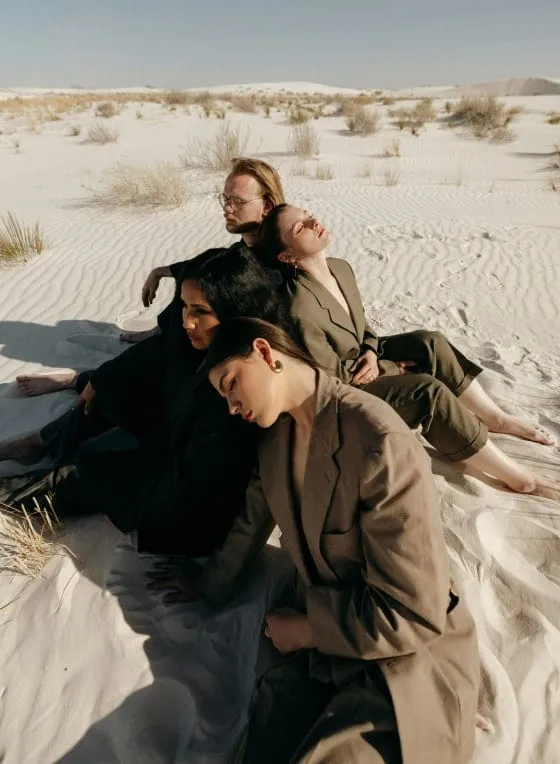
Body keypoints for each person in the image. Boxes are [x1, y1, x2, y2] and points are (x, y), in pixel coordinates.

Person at [150, 317, 480, 764]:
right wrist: (208, 583)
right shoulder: (275, 444)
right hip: (320, 658)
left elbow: (413, 613)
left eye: (231, 384)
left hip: (405, 661)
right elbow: (250, 525)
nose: (231, 406)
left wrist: (306, 630)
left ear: (265, 353)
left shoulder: (377, 439)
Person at [255, 204, 560, 500]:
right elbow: (331, 378)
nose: (313, 222)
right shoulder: (298, 307)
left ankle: (495, 418)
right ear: (287, 255)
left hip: (364, 359)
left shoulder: (340, 268)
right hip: (348, 390)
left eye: (308, 215)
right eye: (300, 227)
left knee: (430, 342)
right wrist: (390, 368)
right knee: (427, 391)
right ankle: (519, 479)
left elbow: (362, 326)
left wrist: (373, 352)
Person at [1, 251, 289, 556]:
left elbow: (200, 491)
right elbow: (153, 353)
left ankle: (9, 493)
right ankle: (42, 442)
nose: (187, 322)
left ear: (237, 313)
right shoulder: (195, 338)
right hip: (172, 430)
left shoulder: (240, 388)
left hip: (177, 491)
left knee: (87, 475)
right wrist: (98, 381)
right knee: (112, 388)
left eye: (200, 311)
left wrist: (131, 480)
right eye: (184, 306)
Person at [14, 157, 286, 397]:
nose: (227, 208)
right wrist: (161, 271)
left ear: (267, 206)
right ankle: (146, 340)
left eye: (237, 201)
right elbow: (208, 263)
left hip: (215, 354)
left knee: (147, 360)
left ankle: (82, 380)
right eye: (224, 199)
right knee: (190, 285)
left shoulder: (276, 258)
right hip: (194, 340)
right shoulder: (243, 248)